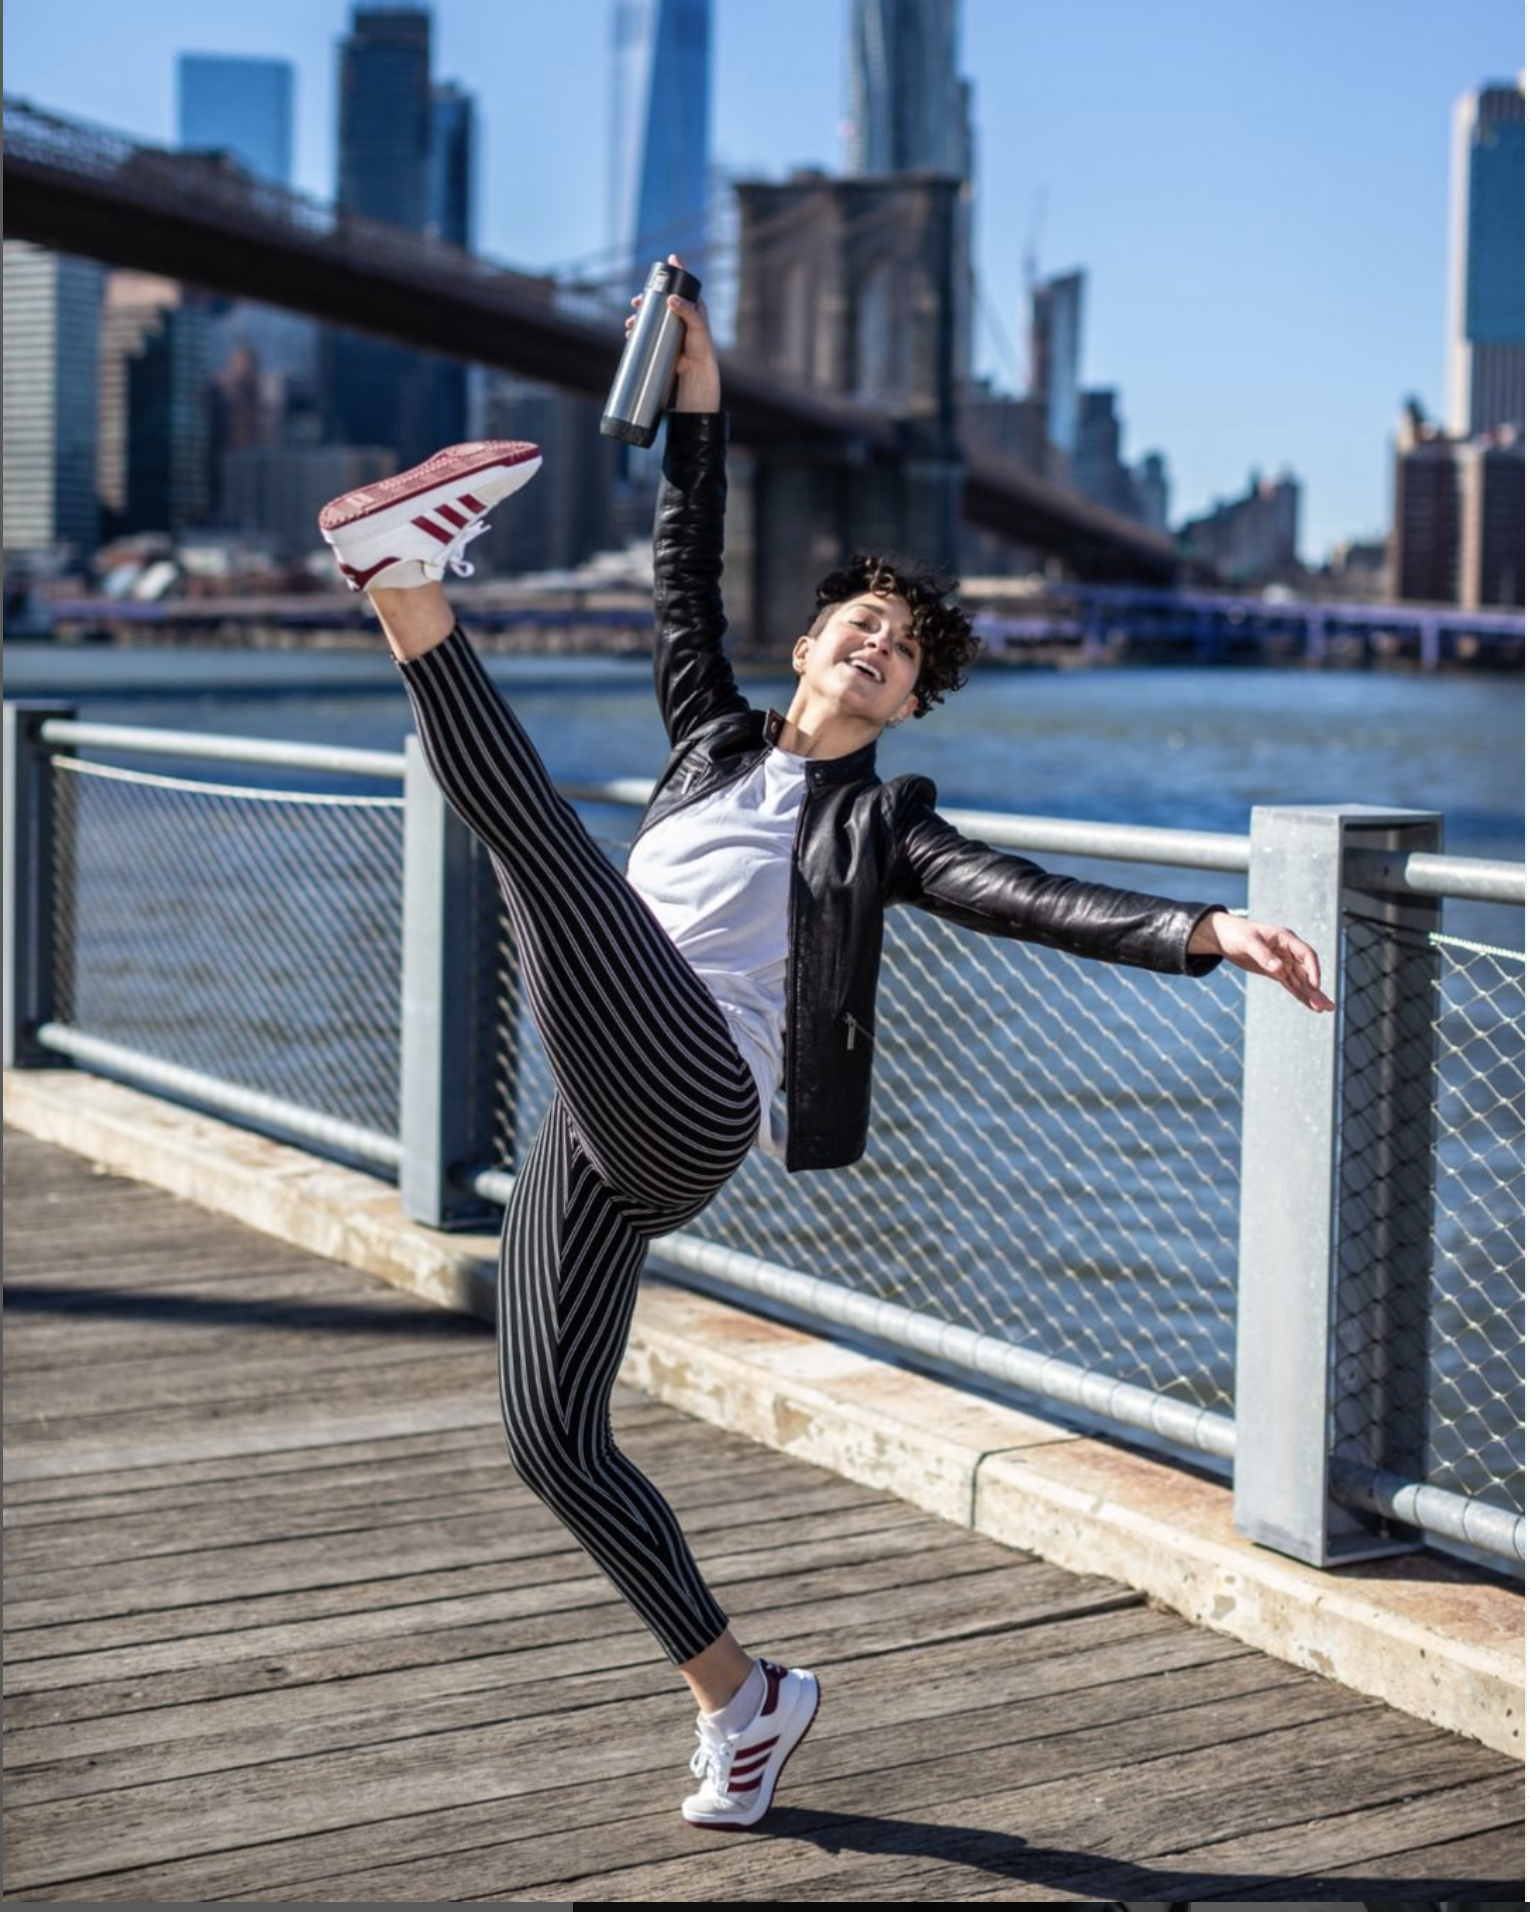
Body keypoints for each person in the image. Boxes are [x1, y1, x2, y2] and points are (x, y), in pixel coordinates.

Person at [317, 258, 1335, 1833]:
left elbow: (1026, 895)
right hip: (591, 1122)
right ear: (805, 649)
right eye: (853, 625)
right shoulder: (705, 734)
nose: (871, 646)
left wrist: (1205, 932)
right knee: (547, 1437)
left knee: (544, 858)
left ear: (910, 706)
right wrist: (702, 390)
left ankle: (406, 584)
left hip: (692, 1096)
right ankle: (747, 1699)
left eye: (900, 653)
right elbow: (683, 563)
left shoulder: (882, 822)